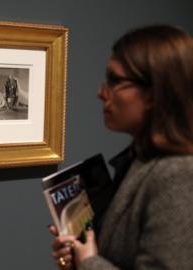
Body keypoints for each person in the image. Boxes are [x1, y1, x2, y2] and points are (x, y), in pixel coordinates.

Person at [48, 24, 193, 270]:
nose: (101, 93)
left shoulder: (178, 173)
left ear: (154, 92)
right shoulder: (141, 159)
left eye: (115, 80)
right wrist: (78, 252)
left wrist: (90, 262)